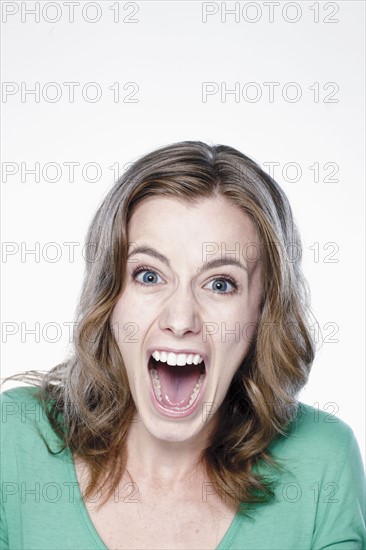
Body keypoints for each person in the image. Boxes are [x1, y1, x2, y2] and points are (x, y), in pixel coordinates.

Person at [1, 141, 365, 550]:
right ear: (111, 298)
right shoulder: (13, 439)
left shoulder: (322, 464)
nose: (180, 320)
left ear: (262, 311)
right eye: (149, 276)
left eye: (220, 284)